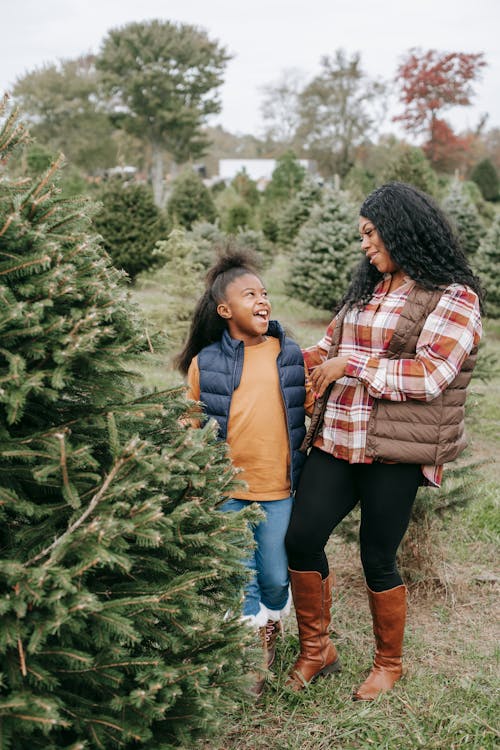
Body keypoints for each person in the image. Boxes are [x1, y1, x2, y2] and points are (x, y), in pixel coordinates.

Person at [284, 181, 483, 699]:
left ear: (400, 230)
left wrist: (351, 364)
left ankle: (388, 663)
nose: (365, 245)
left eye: (371, 234)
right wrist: (267, 354)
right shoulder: (368, 290)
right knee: (301, 537)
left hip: (392, 448)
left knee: (377, 553)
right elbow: (326, 345)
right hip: (337, 437)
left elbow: (430, 374)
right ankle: (317, 649)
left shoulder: (453, 298)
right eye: (361, 235)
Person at [176, 248, 312, 697]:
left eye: (264, 293)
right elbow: (190, 421)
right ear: (224, 309)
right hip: (230, 491)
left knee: (275, 574)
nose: (262, 300)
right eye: (249, 293)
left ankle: (271, 628)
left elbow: (308, 405)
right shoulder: (206, 363)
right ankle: (252, 655)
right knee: (242, 576)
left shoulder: (288, 354)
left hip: (278, 491)